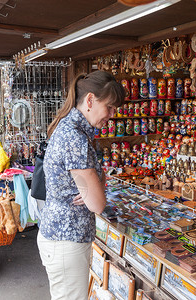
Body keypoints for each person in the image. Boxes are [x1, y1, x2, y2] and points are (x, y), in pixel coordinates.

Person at [37, 70, 125, 300]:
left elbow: (92, 191)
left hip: (61, 237)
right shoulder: (75, 136)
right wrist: (96, 187)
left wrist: (96, 184)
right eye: (110, 107)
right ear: (89, 100)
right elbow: (96, 203)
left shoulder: (69, 128)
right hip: (67, 241)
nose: (112, 115)